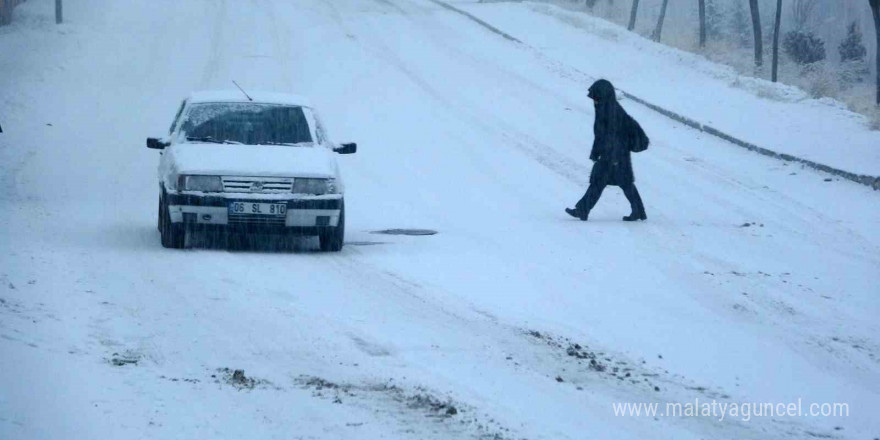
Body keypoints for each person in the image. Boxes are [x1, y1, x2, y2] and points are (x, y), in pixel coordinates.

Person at [566, 79, 648, 222]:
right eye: (594, 98)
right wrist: (595, 152)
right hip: (611, 154)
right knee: (618, 183)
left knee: (609, 183)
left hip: (615, 155)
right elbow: (601, 136)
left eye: (597, 98)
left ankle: (582, 210)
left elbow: (614, 137)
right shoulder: (605, 109)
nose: (594, 101)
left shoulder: (611, 112)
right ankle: (638, 211)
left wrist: (614, 158)